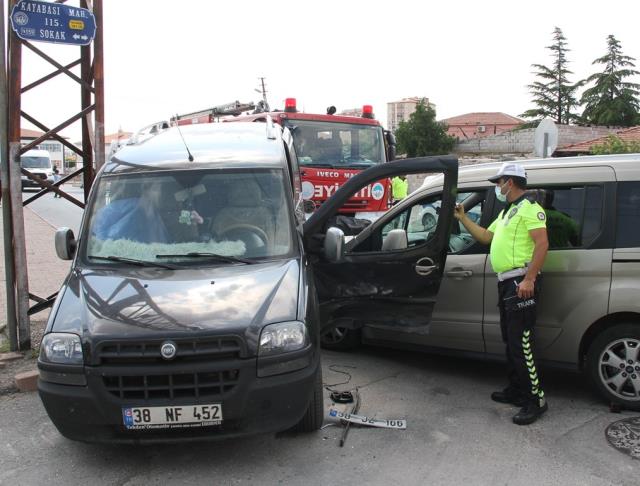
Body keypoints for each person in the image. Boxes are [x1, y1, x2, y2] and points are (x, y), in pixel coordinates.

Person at [454, 162, 549, 425]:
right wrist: (463, 218)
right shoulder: (509, 212)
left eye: (500, 181)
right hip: (507, 283)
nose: (498, 186)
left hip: (521, 282)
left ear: (512, 181)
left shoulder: (531, 209)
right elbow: (485, 237)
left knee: (522, 345)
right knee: (511, 341)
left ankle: (536, 400)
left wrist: (529, 278)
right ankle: (517, 390)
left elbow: (542, 244)